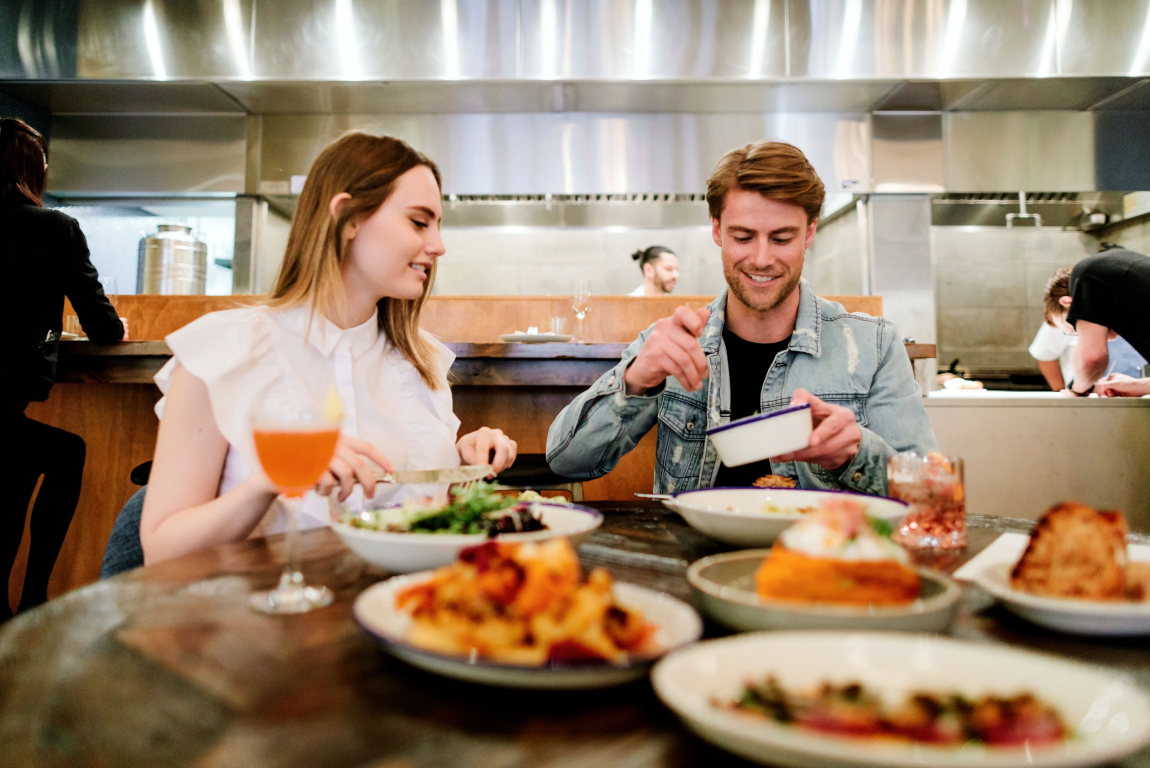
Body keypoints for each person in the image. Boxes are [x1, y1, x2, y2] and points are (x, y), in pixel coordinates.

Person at [140, 133, 518, 564]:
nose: (438, 245)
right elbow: (161, 550)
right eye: (419, 222)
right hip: (260, 619)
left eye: (437, 225)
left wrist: (462, 468)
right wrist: (270, 481)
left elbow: (419, 523)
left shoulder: (422, 361)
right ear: (347, 217)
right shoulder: (222, 351)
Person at [548, 140, 937, 495]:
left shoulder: (874, 345)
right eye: (743, 237)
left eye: (782, 238)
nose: (762, 258)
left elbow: (928, 492)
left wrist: (854, 452)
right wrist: (634, 381)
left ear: (810, 233)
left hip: (822, 562)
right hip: (691, 564)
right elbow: (566, 461)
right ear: (717, 230)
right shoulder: (672, 344)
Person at [0, 117, 124, 618]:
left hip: (5, 418)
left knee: (19, 462)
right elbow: (105, 329)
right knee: (64, 453)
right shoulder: (54, 228)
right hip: (5, 406)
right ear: (35, 168)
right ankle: (33, 600)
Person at [1030, 265, 1146, 392]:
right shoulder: (1061, 318)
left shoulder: (1132, 310)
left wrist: (1139, 386)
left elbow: (1093, 359)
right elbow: (1045, 356)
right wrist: (1065, 393)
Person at [1052, 248, 1150, 397]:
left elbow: (1091, 360)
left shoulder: (1087, 272)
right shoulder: (1125, 265)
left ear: (1068, 303)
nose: (1082, 332)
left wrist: (1077, 389)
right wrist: (1138, 386)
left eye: (1074, 327)